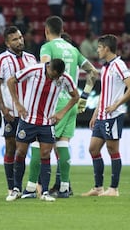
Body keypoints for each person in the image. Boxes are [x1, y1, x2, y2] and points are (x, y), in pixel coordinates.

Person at [21, 16, 98, 199]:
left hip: (54, 105)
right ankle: (64, 187)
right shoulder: (73, 49)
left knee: (39, 145)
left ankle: (32, 188)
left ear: (46, 30)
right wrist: (84, 97)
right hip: (72, 103)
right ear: (62, 30)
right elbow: (94, 72)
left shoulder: (47, 47)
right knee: (63, 144)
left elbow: (43, 70)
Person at [6, 58, 80, 202]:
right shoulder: (33, 70)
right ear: (49, 68)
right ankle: (16, 189)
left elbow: (75, 96)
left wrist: (62, 113)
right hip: (28, 120)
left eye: (59, 76)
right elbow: (10, 81)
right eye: (55, 75)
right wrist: (17, 104)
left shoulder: (64, 78)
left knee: (45, 154)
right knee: (20, 151)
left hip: (47, 122)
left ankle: (45, 192)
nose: (57, 78)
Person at [82, 34, 130, 197]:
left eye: (99, 47)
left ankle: (113, 189)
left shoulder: (119, 65)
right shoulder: (106, 67)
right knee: (93, 149)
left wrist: (115, 105)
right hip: (101, 116)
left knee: (112, 149)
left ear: (106, 48)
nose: (97, 50)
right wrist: (95, 114)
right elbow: (104, 93)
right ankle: (98, 188)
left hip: (113, 115)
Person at [0, 26, 37, 198]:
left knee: (31, 150)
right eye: (15, 39)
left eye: (20, 37)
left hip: (30, 113)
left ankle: (33, 187)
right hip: (11, 112)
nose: (19, 41)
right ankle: (12, 187)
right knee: (11, 148)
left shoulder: (32, 58)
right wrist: (3, 109)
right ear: (7, 43)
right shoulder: (1, 60)